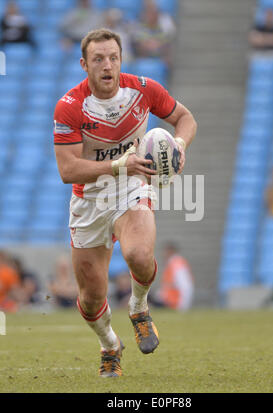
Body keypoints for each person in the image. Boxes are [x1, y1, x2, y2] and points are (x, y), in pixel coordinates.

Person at [53, 28, 197, 377]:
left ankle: (138, 307)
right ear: (84, 64)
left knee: (138, 255)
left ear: (121, 60)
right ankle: (110, 346)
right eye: (98, 59)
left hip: (132, 186)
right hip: (89, 199)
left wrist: (178, 144)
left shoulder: (144, 90)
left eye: (113, 57)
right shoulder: (70, 106)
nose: (107, 65)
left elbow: (185, 119)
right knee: (90, 297)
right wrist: (118, 164)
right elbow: (68, 170)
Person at [131, 0, 176, 67]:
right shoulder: (140, 27)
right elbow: (138, 41)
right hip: (144, 55)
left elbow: (166, 41)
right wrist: (148, 45)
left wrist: (157, 45)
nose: (150, 17)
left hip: (159, 55)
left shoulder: (163, 28)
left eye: (153, 14)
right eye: (149, 14)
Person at [156, 242, 194, 311]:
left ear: (170, 251)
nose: (163, 254)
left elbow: (186, 286)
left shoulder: (177, 264)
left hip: (173, 303)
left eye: (165, 251)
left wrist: (183, 306)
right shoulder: (171, 263)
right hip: (168, 301)